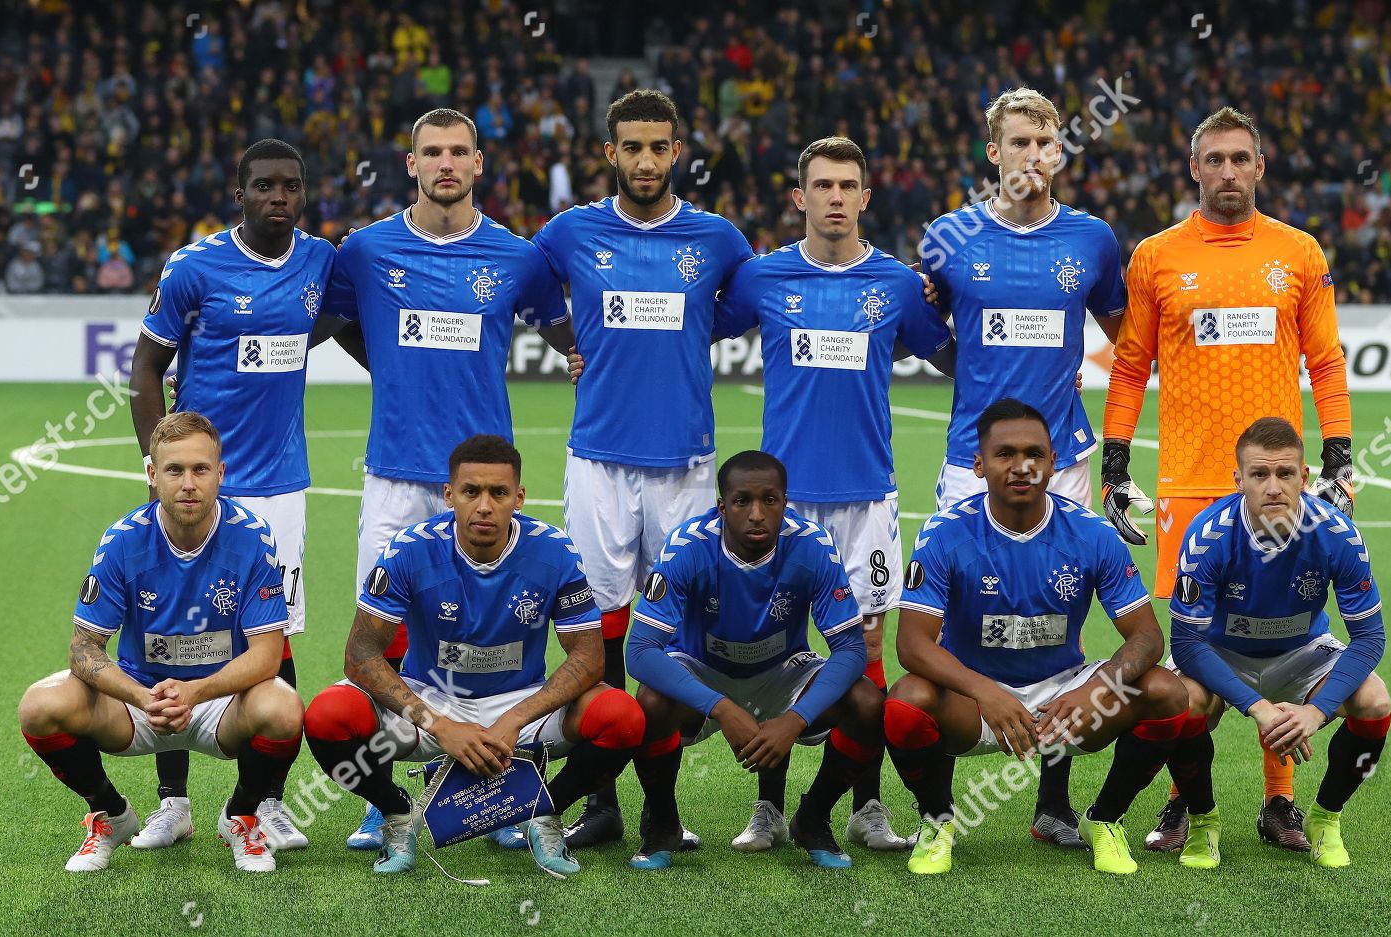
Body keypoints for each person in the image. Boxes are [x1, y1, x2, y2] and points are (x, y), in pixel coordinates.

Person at [1100, 107, 1355, 852]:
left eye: (1240, 159)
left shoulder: (1298, 252)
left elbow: (1327, 361)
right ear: (1193, 168)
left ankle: (1280, 802)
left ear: (1261, 166)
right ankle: (1186, 798)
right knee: (1195, 653)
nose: (1228, 173)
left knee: (1277, 633)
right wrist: (1115, 463)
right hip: (1188, 486)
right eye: (1214, 159)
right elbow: (1129, 366)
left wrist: (1336, 454)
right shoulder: (1155, 255)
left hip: (1276, 487)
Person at [320, 108, 573, 849]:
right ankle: (383, 794)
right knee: (386, 634)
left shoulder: (517, 256)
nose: (446, 163)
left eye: (459, 151)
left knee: (494, 622)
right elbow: (332, 323)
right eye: (432, 151)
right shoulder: (365, 251)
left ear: (479, 163)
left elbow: (568, 336)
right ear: (410, 162)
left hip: (483, 482)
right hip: (397, 474)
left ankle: (491, 782)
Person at [713, 135, 953, 852]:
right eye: (823, 186)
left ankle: (866, 805)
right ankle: (769, 807)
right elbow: (702, 319)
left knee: (867, 650)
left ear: (866, 197)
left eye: (849, 186)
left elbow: (938, 346)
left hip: (867, 498)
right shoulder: (763, 277)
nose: (837, 199)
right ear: (800, 197)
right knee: (774, 647)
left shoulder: (897, 285)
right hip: (780, 504)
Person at [530, 89, 755, 847]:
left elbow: (748, 306)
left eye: (660, 146)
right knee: (597, 633)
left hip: (687, 467)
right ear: (609, 153)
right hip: (597, 461)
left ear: (679, 150)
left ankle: (663, 804)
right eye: (633, 146)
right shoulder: (568, 233)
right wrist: (571, 338)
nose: (647, 160)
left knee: (672, 637)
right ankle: (602, 801)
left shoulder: (719, 239)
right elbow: (527, 291)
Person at [917, 87, 1128, 848]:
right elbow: (926, 332)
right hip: (970, 462)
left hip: (1063, 458)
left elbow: (1123, 337)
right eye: (1019, 142)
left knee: (1060, 617)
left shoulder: (1094, 240)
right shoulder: (948, 237)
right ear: (992, 152)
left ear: (1059, 151)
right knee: (949, 618)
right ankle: (939, 812)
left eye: (1046, 142)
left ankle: (1053, 802)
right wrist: (974, 369)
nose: (1033, 155)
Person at [127, 138, 343, 852]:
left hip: (280, 487)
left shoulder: (319, 260)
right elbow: (146, 368)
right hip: (200, 483)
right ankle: (173, 801)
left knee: (273, 642)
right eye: (264, 186)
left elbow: (329, 326)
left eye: (291, 185)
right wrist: (158, 464)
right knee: (174, 630)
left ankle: (259, 803)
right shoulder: (194, 266)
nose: (279, 197)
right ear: (239, 193)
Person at [301, 435, 645, 877]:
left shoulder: (554, 550)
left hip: (520, 704)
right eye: (471, 492)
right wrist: (441, 727)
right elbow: (361, 656)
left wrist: (513, 720)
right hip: (431, 702)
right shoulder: (410, 549)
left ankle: (542, 811)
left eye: (498, 493)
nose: (484, 506)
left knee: (623, 716)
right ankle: (396, 813)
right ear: (449, 496)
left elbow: (589, 659)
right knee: (328, 715)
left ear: (518, 498)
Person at [885, 399, 1188, 875]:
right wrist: (985, 692)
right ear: (979, 464)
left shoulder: (1091, 533)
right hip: (974, 701)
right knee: (905, 703)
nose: (1021, 466)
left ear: (1052, 462)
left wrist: (1096, 689)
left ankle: (1105, 820)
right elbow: (912, 646)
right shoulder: (944, 533)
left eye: (1034, 454)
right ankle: (937, 822)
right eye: (1005, 454)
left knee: (1168, 692)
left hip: (1063, 700)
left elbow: (1148, 638)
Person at [17, 412, 304, 872]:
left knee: (284, 708)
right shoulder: (121, 542)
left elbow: (268, 656)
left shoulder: (255, 539)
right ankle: (111, 815)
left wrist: (195, 692)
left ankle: (241, 817)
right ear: (153, 474)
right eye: (174, 470)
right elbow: (83, 650)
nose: (188, 483)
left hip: (220, 703)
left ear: (220, 473)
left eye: (200, 469)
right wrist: (143, 696)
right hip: (140, 701)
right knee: (39, 705)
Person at [625, 450, 881, 869]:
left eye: (770, 501)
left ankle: (812, 819)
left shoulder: (812, 545)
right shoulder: (688, 546)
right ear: (722, 506)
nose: (757, 514)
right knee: (651, 699)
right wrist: (721, 708)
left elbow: (852, 648)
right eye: (742, 501)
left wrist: (796, 718)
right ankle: (663, 825)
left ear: (785, 502)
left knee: (868, 701)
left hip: (783, 672)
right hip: (704, 673)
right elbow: (639, 651)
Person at [1165, 417, 1389, 869]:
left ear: (1304, 478)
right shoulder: (1207, 534)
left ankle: (1326, 818)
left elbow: (1369, 637)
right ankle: (1203, 820)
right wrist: (1259, 707)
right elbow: (1186, 643)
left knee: (1375, 702)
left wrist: (1315, 710)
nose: (1273, 487)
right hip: (1219, 652)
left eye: (1285, 474)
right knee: (1183, 702)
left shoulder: (1336, 534)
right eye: (1259, 474)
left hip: (1302, 653)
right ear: (1238, 480)